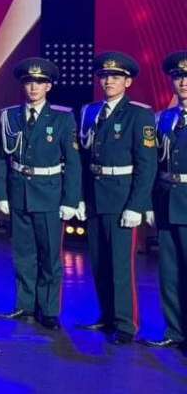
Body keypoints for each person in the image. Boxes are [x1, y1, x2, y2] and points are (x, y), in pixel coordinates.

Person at [0, 57, 82, 330]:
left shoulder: (62, 117)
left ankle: (49, 310)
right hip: (19, 191)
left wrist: (71, 199)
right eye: (29, 82)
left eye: (39, 83)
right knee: (22, 254)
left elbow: (73, 161)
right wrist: (2, 195)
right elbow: (1, 159)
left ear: (49, 86)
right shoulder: (9, 116)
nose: (33, 87)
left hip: (49, 195)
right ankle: (25, 305)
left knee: (49, 257)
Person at [78, 52, 156, 345]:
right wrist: (82, 197)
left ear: (128, 81)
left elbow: (146, 164)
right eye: (104, 76)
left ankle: (126, 324)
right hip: (97, 198)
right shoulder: (91, 111)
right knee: (99, 263)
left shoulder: (139, 114)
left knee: (121, 266)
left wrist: (137, 205)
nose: (108, 81)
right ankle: (107, 316)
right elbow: (86, 159)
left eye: (115, 76)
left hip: (123, 199)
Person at [145, 51, 187, 350]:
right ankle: (175, 331)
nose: (183, 82)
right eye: (178, 77)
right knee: (169, 272)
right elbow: (152, 165)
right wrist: (147, 203)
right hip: (166, 201)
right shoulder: (163, 118)